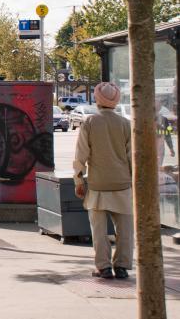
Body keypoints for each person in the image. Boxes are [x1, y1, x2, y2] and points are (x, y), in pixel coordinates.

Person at [73, 82, 133, 280]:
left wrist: (78, 181)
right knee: (124, 229)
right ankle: (122, 266)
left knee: (98, 230)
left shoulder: (90, 122)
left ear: (97, 100)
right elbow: (131, 156)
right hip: (122, 183)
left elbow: (81, 155)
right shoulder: (125, 124)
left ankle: (104, 267)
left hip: (98, 184)